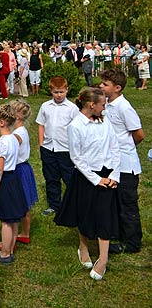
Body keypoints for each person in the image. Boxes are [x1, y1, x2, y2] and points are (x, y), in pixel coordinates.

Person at [54, 88, 120, 281]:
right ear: (92, 105)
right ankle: (83, 247)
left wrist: (114, 175)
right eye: (102, 104)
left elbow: (114, 147)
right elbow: (77, 157)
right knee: (85, 212)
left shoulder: (105, 121)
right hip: (87, 176)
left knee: (104, 215)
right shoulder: (75, 126)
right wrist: (96, 179)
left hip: (108, 174)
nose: (104, 108)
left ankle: (103, 258)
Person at [99, 69, 145, 254]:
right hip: (113, 164)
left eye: (105, 84)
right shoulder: (108, 104)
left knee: (127, 204)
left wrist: (124, 147)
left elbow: (139, 134)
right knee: (116, 201)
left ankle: (132, 242)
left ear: (117, 88)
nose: (101, 86)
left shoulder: (124, 107)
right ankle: (119, 233)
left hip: (126, 164)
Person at [0, 104, 28, 264]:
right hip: (14, 180)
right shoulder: (13, 138)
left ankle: (5, 253)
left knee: (6, 220)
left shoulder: (2, 143)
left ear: (2, 122)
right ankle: (10, 248)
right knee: (14, 219)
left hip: (4, 182)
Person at [36, 76, 79, 216]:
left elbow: (77, 129)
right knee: (51, 177)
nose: (59, 95)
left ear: (67, 90)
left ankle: (73, 204)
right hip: (49, 148)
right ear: (51, 91)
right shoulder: (45, 106)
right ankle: (54, 204)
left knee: (69, 177)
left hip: (65, 149)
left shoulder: (72, 108)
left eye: (61, 92)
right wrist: (41, 143)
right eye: (56, 92)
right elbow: (41, 125)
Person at [11, 99, 38, 245]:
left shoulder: (17, 134)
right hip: (23, 168)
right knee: (24, 203)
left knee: (20, 203)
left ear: (16, 116)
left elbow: (14, 144)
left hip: (19, 170)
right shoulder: (20, 130)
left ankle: (18, 235)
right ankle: (25, 233)